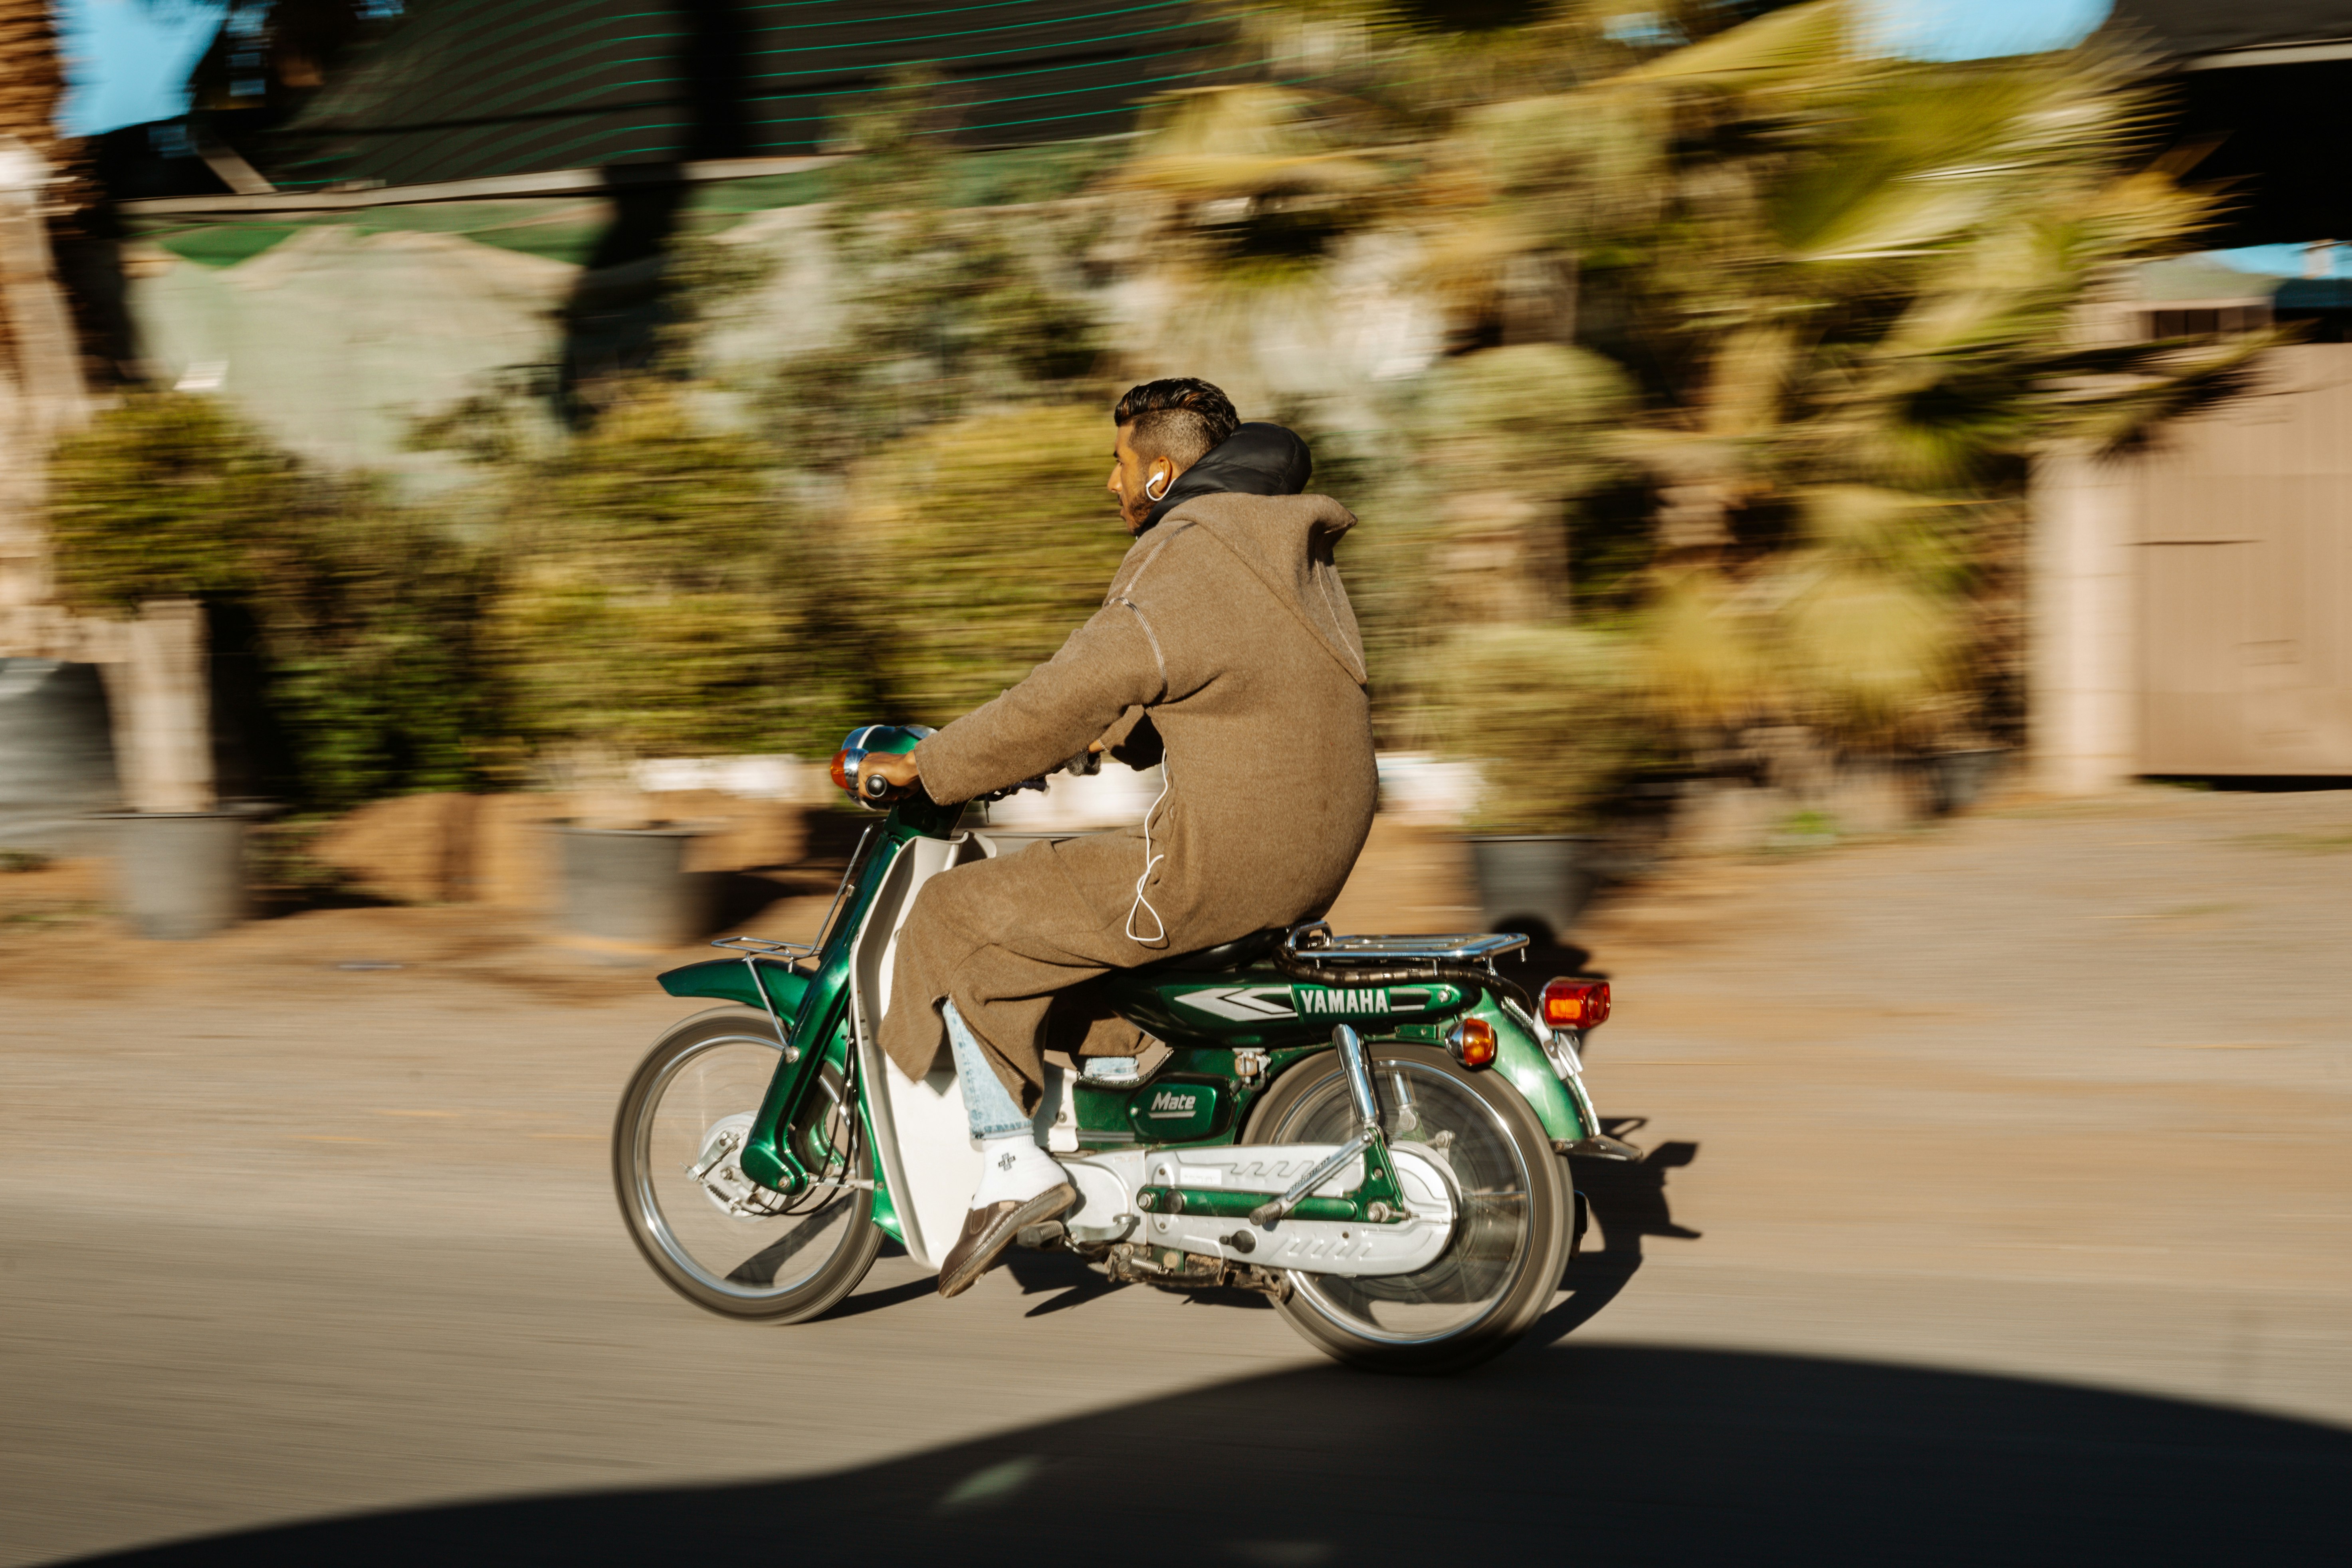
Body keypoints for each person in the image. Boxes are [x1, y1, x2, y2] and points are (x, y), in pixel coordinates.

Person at [858, 377, 1379, 1297]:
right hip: (1315, 848)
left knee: (959, 911)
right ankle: (1128, 1113)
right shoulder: (1280, 550)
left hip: (1218, 861)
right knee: (1060, 923)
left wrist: (935, 765)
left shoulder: (1185, 549)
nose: (1112, 483)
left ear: (1165, 469)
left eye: (1120, 462)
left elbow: (1068, 689)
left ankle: (1013, 1160)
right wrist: (1114, 738)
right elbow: (1222, 679)